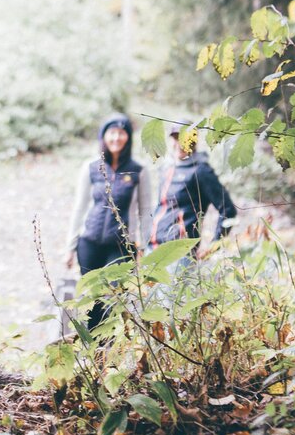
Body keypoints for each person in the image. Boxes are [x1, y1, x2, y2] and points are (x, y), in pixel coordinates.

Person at [65, 113, 152, 330]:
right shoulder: (91, 168)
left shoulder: (139, 171)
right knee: (92, 298)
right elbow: (80, 207)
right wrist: (70, 246)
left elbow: (145, 211)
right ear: (104, 137)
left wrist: (146, 247)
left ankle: (110, 349)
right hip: (89, 243)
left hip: (121, 246)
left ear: (128, 138)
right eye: (111, 133)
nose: (116, 138)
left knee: (114, 298)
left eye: (122, 133)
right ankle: (93, 353)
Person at [150, 119, 237, 253]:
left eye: (186, 138)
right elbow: (161, 208)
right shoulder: (166, 169)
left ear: (194, 141)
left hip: (179, 252)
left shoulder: (201, 171)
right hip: (154, 248)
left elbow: (228, 209)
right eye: (176, 138)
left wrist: (213, 246)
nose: (180, 144)